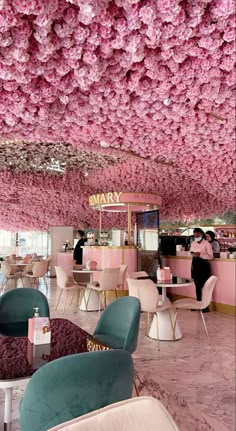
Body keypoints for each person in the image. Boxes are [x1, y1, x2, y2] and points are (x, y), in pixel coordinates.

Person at [190, 228, 213, 312]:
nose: (196, 237)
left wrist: (201, 255)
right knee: (197, 286)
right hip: (195, 264)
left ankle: (205, 306)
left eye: (198, 235)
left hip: (204, 265)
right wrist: (194, 254)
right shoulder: (193, 243)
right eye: (195, 236)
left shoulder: (207, 244)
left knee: (205, 286)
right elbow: (191, 252)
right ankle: (198, 304)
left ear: (201, 234)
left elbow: (211, 256)